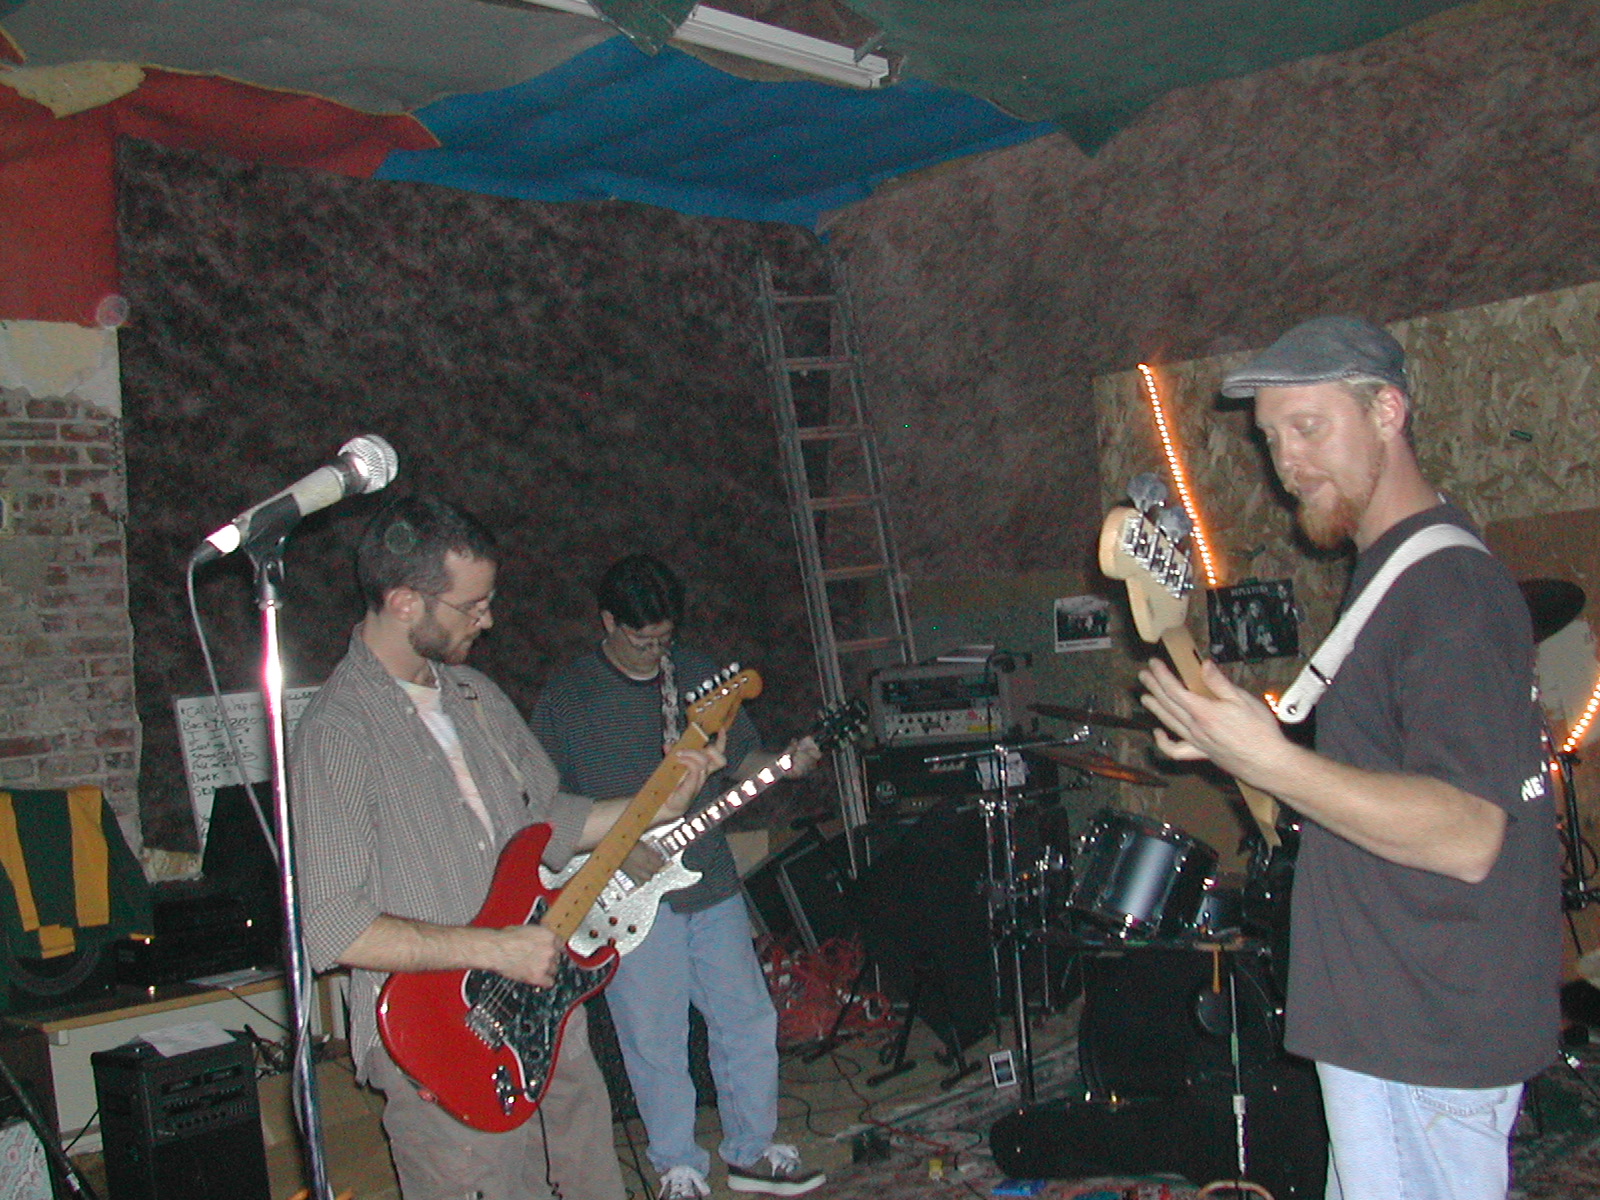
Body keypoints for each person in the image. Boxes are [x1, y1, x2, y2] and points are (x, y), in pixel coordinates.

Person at [1135, 316, 1559, 1200]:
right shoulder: (1395, 573)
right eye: (1271, 438)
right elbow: (1381, 785)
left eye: (1309, 427)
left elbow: (1467, 834)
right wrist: (1238, 744)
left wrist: (1273, 763)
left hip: (1423, 1028)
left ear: (1388, 412)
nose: (1286, 462)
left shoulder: (1446, 592)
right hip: (1396, 1017)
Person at [292, 497, 725, 1200]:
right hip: (442, 1040)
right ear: (404, 601)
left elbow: (549, 820)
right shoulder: (337, 733)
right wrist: (496, 950)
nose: (488, 620)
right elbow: (334, 927)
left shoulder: (476, 696)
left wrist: (655, 805)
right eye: (472, 606)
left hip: (547, 1015)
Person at [530, 554, 826, 1200]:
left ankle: (753, 1151)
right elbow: (542, 808)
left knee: (747, 1017)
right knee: (654, 1036)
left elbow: (739, 761)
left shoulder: (696, 677)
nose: (655, 653)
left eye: (664, 640)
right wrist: (615, 849)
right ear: (608, 622)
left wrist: (785, 762)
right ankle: (677, 1167)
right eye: (642, 641)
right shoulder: (568, 698)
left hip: (709, 880)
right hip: (626, 896)